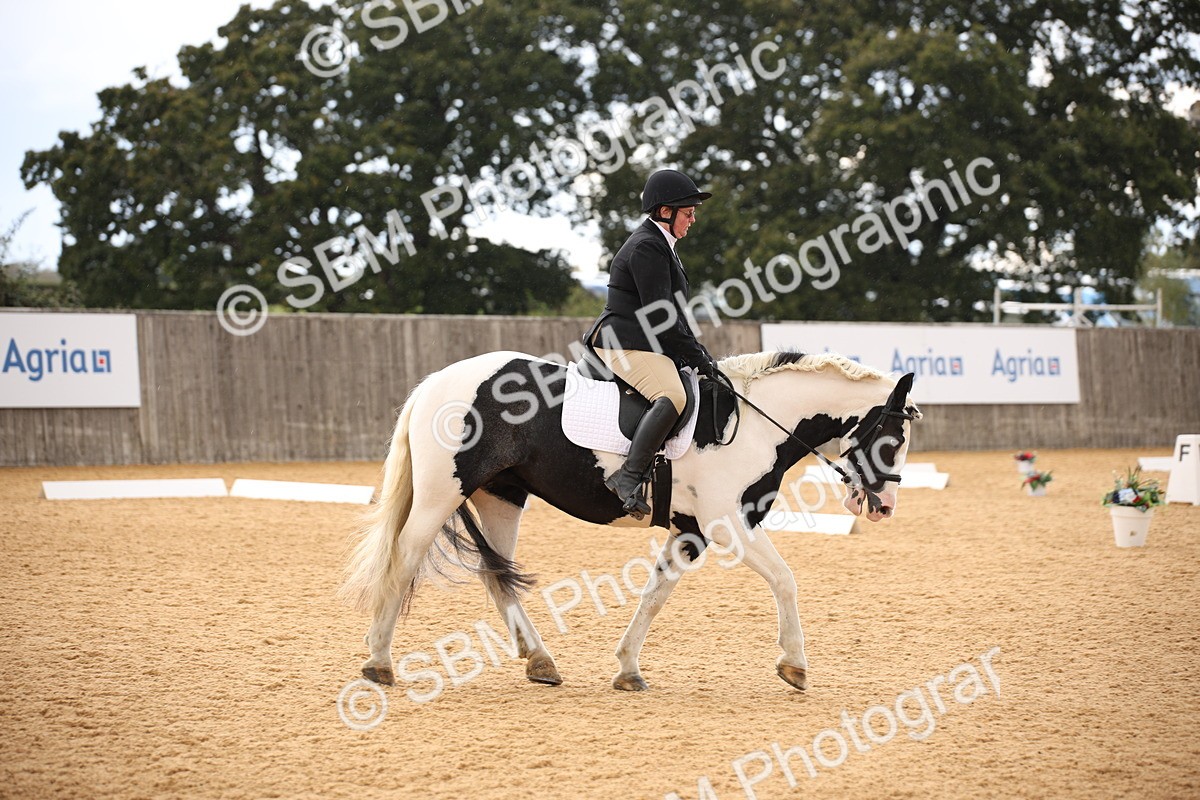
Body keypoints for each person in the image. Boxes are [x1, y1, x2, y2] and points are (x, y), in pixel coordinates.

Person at [583, 168, 721, 517]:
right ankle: (628, 476)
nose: (693, 220)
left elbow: (673, 314)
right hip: (623, 340)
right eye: (688, 213)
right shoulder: (647, 246)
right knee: (672, 395)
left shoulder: (661, 245)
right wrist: (697, 356)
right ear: (665, 212)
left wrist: (698, 353)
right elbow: (661, 317)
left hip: (642, 339)